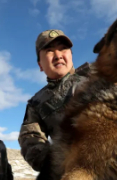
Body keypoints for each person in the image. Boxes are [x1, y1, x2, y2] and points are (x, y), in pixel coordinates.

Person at [18, 29, 90, 171]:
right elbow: (31, 139)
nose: (58, 56)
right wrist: (57, 162)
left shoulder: (99, 75)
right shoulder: (36, 104)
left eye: (63, 49)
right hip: (74, 173)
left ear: (71, 55)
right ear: (40, 64)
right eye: (49, 51)